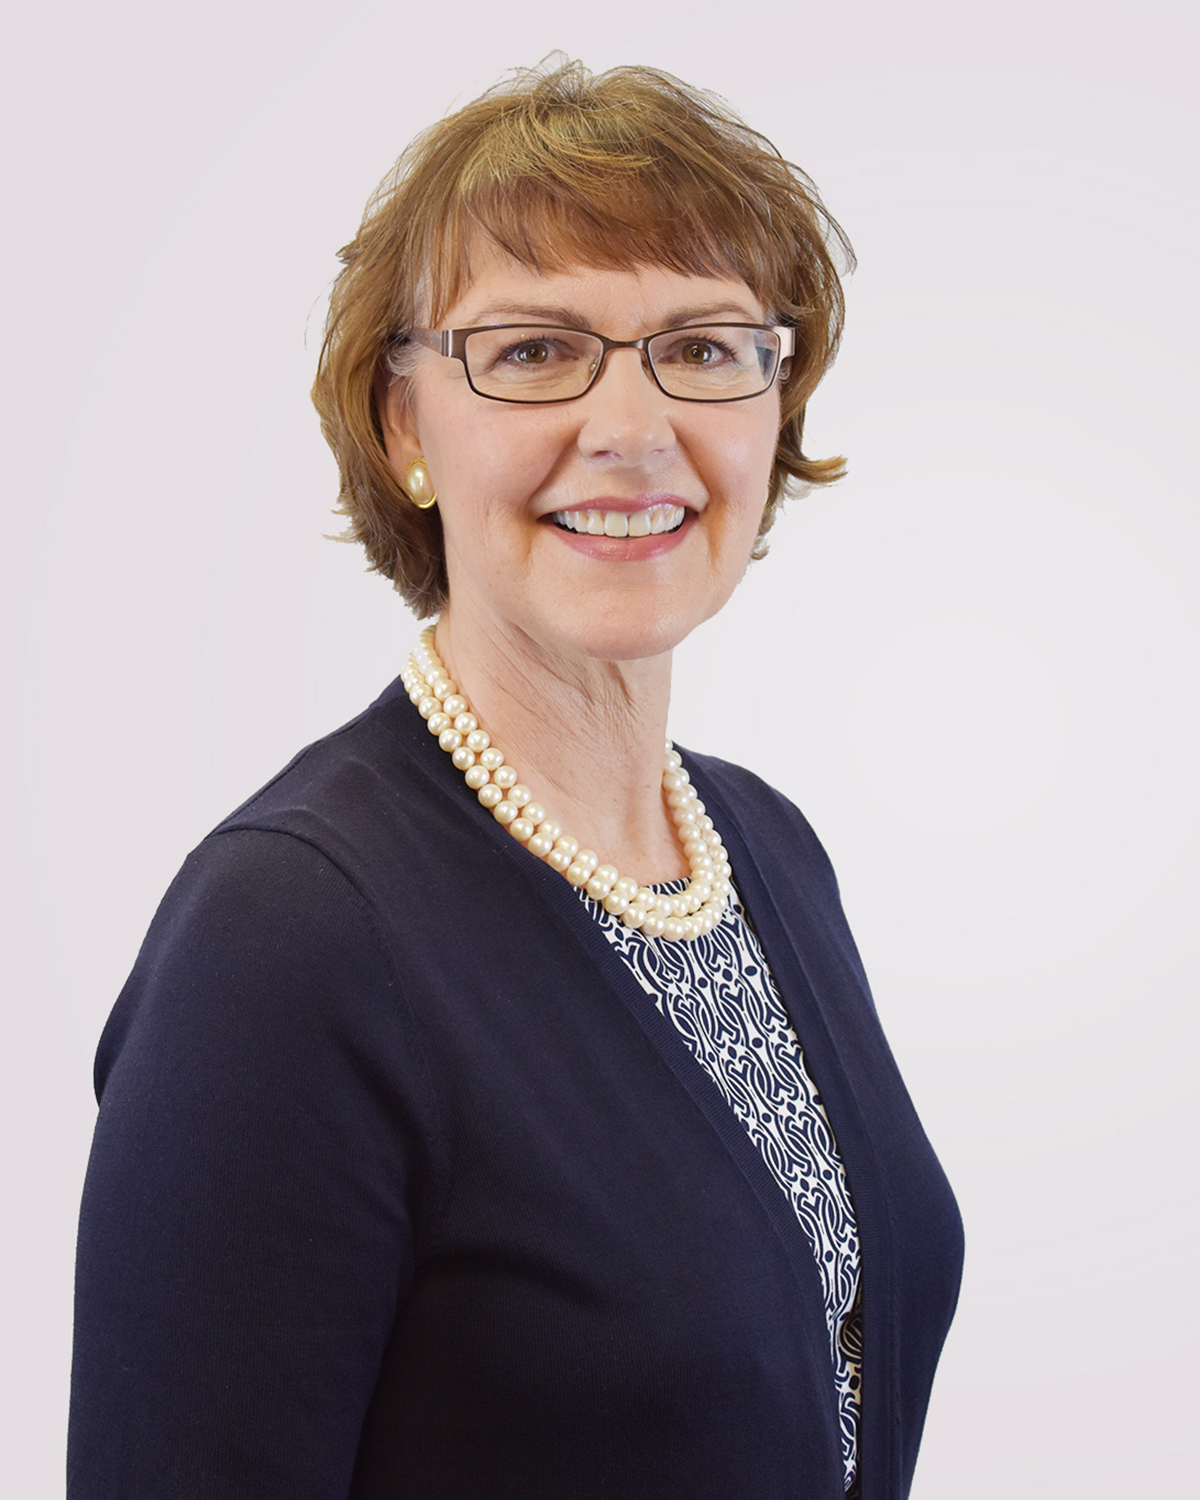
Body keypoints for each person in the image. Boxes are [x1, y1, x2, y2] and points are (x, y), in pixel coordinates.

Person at [68, 59, 962, 1500]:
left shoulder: (763, 847)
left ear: (773, 405)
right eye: (536, 351)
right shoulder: (286, 942)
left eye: (704, 347)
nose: (633, 428)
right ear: (404, 427)